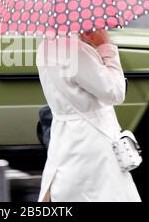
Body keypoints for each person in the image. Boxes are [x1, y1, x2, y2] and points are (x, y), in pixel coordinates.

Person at [36, 30, 141, 202]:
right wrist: (105, 47)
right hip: (93, 141)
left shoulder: (45, 48)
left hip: (64, 139)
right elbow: (115, 92)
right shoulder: (76, 51)